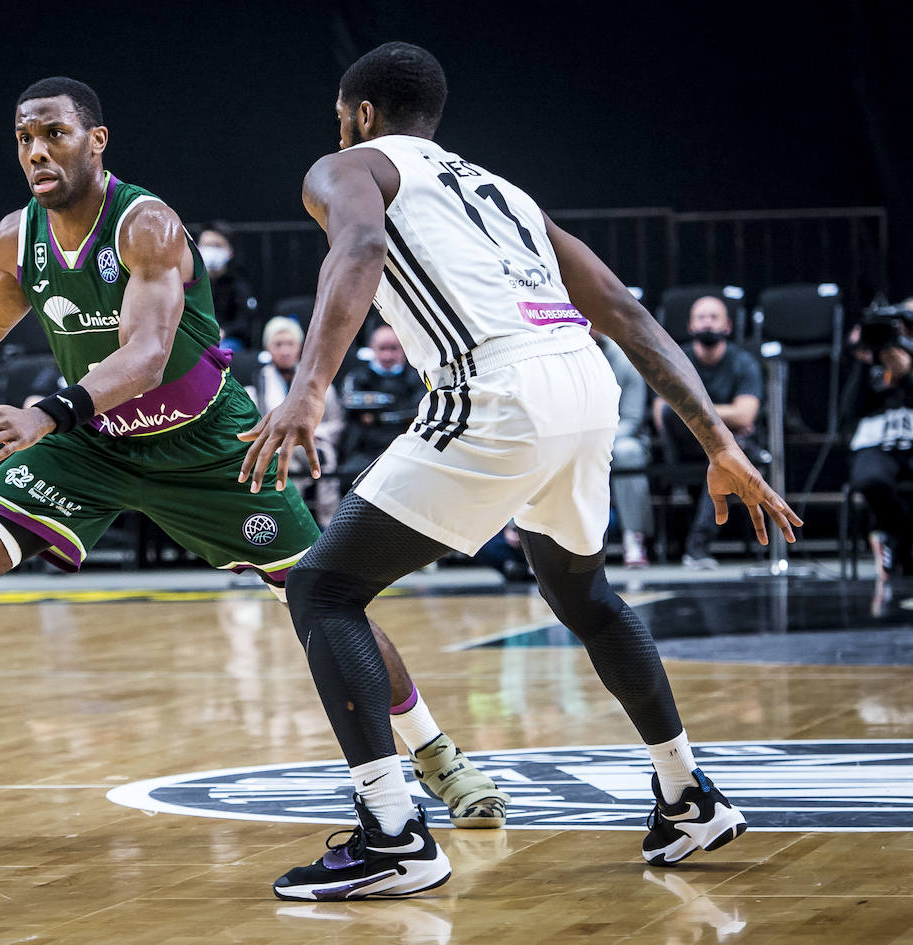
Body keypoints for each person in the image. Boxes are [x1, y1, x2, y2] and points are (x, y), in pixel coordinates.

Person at [0, 76, 503, 854]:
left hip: (206, 445)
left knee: (323, 598)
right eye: (25, 138)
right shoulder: (17, 236)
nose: (37, 150)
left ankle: (438, 757)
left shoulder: (146, 225)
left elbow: (147, 352)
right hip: (92, 444)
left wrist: (46, 414)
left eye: (55, 135)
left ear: (95, 141)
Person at [240, 42, 800, 900]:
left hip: (497, 384)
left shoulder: (349, 165)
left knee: (320, 588)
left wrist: (308, 389)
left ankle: (392, 834)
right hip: (582, 381)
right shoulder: (504, 192)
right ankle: (688, 794)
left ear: (356, 113)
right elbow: (622, 309)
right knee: (583, 593)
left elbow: (354, 249)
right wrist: (720, 442)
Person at [653, 295, 763, 568]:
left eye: (714, 317)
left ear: (727, 326)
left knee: (726, 455)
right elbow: (661, 411)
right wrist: (725, 414)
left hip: (726, 447)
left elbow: (746, 414)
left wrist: (692, 408)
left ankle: (697, 547)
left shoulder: (743, 362)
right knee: (669, 415)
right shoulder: (676, 359)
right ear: (691, 325)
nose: (707, 323)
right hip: (685, 447)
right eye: (701, 317)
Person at [246, 316, 344, 525]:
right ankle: (291, 523)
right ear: (268, 347)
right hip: (278, 445)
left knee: (324, 459)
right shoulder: (258, 383)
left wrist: (312, 432)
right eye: (278, 344)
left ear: (300, 347)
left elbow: (337, 424)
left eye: (290, 344)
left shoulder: (317, 380)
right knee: (284, 460)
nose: (285, 350)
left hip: (315, 443)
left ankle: (329, 526)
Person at [843, 305, 913, 579]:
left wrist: (907, 375)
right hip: (877, 441)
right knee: (870, 480)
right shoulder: (873, 359)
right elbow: (850, 411)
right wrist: (867, 359)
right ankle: (898, 536)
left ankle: (896, 541)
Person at [338, 323, 426, 484]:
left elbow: (419, 410)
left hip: (406, 447)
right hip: (365, 450)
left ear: (403, 348)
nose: (387, 356)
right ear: (372, 348)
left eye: (393, 348)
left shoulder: (417, 378)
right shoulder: (357, 377)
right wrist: (394, 403)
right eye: (382, 349)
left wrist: (375, 415)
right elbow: (350, 403)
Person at [595, 330, 654, 567]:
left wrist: (597, 439)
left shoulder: (624, 359)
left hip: (620, 436)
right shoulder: (559, 355)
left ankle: (634, 537)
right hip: (573, 434)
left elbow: (632, 418)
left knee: (626, 452)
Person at [198, 223, 258, 350]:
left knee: (219, 351)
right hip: (197, 339)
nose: (211, 250)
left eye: (217, 245)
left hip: (227, 341)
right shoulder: (191, 281)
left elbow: (245, 322)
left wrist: (224, 332)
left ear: (229, 250)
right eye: (207, 245)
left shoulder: (239, 282)